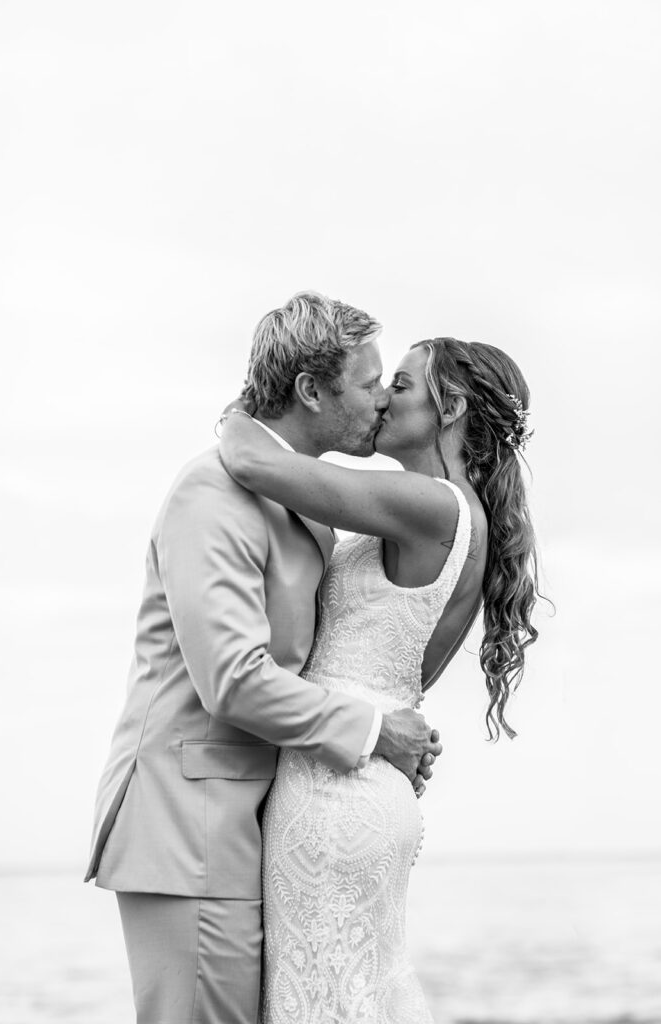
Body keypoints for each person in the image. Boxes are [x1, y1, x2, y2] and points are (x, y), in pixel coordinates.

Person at [84, 292, 441, 1024]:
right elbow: (235, 683)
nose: (380, 400)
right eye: (367, 383)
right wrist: (376, 732)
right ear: (311, 390)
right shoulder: (208, 494)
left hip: (242, 820)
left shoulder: (303, 500)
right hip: (187, 823)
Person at [219, 334, 540, 1023]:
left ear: (449, 407)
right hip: (368, 779)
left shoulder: (430, 504)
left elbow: (249, 458)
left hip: (332, 789)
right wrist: (393, 737)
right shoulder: (462, 517)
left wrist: (258, 395)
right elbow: (394, 679)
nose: (381, 398)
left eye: (399, 384)